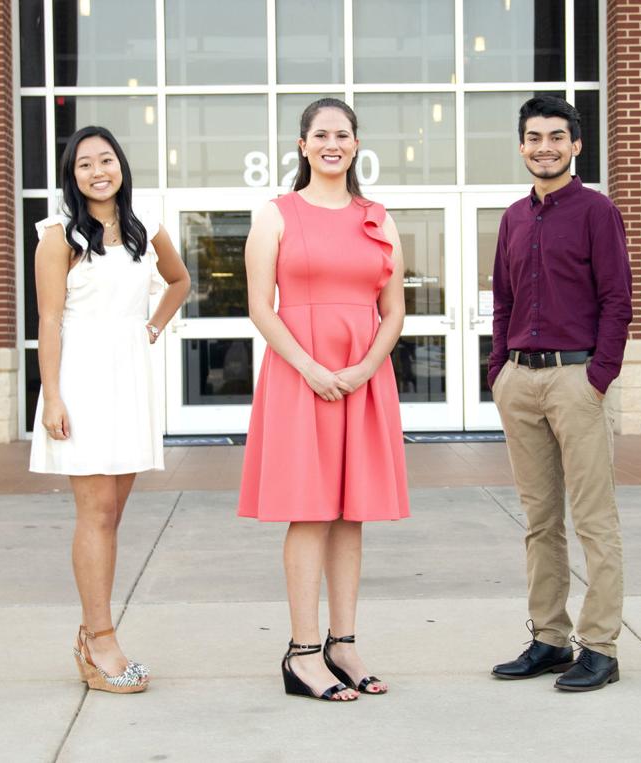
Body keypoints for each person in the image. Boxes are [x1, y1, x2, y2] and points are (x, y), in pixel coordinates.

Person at [238, 98, 409, 702]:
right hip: (299, 372)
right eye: (320, 134)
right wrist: (311, 367)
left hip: (363, 378)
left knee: (350, 512)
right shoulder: (276, 214)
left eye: (343, 133)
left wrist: (363, 367)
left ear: (356, 144)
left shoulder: (377, 217)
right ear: (303, 146)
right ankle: (303, 651)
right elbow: (261, 305)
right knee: (308, 508)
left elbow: (394, 312)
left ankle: (345, 643)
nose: (332, 142)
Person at [30, 125, 190, 694]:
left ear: (121, 165)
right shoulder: (58, 236)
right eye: (83, 165)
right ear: (71, 177)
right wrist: (51, 395)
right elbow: (48, 321)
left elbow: (179, 280)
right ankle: (101, 640)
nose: (98, 171)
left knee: (111, 515)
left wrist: (151, 325)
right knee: (95, 513)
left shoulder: (146, 231)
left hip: (130, 381)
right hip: (82, 381)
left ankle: (88, 633)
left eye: (106, 160)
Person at [487, 95, 633, 692]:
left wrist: (598, 376)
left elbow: (617, 301)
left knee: (595, 520)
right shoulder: (513, 219)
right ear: (522, 146)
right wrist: (499, 369)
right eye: (533, 137)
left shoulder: (597, 212)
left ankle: (600, 645)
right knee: (540, 520)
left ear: (576, 145)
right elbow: (502, 301)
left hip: (577, 380)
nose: (543, 146)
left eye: (555, 136)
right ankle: (549, 638)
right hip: (520, 382)